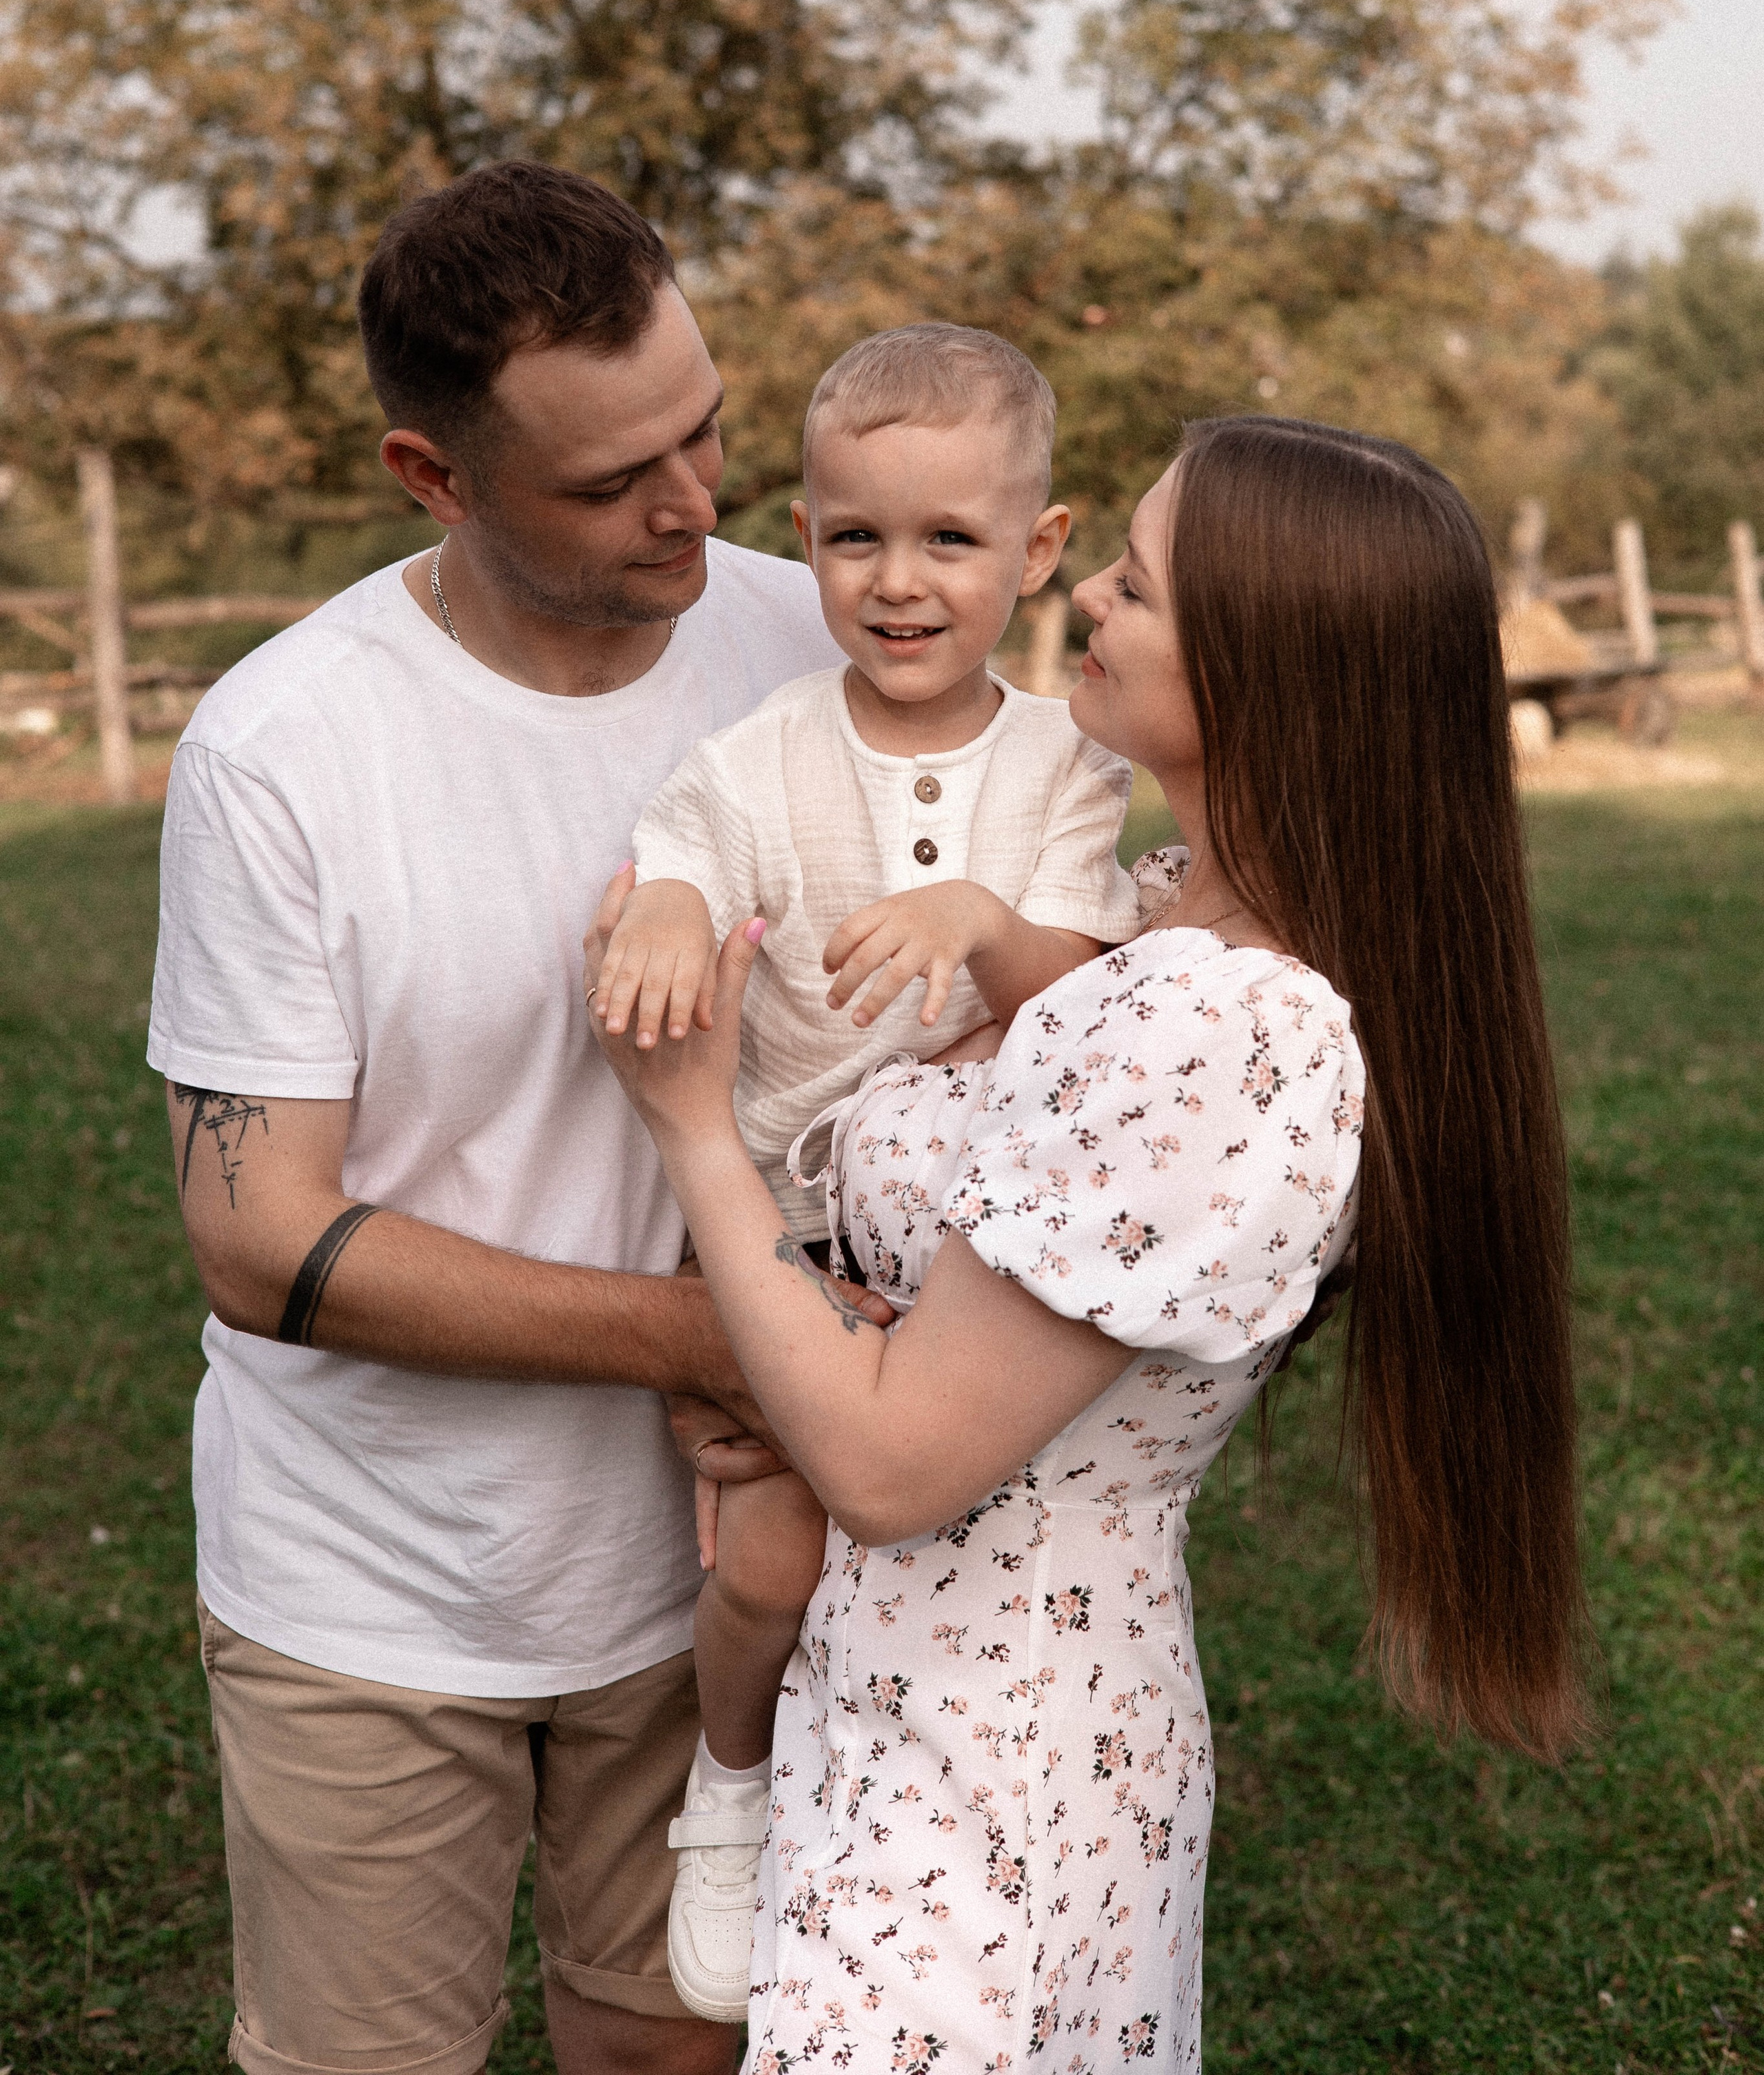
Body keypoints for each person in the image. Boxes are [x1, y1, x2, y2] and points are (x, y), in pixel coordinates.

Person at [587, 413, 1586, 2072]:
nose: (1092, 606)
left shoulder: (1215, 1028)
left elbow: (900, 1466)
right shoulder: (1161, 913)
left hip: (993, 1759)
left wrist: (693, 1127)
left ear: (1269, 668)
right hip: (927, 1702)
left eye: (1135, 581)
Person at [149, 161, 874, 2075]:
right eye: (612, 480)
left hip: (721, 1568)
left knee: (677, 2050)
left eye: (707, 431)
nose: (695, 504)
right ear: (433, 477)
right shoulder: (283, 750)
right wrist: (715, 1340)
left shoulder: (824, 648)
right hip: (375, 1587)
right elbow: (259, 1237)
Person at [598, 327, 1142, 2019]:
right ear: (805, 528)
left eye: (948, 542)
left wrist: (983, 925)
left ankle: (942, 1864)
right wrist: (677, 905)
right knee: (766, 1563)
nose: (896, 584)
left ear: (1036, 552)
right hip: (783, 1229)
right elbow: (675, 855)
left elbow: (1084, 992)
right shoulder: (763, 752)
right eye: (852, 539)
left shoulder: (1064, 768)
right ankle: (735, 1788)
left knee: (924, 1571)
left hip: (971, 1255)